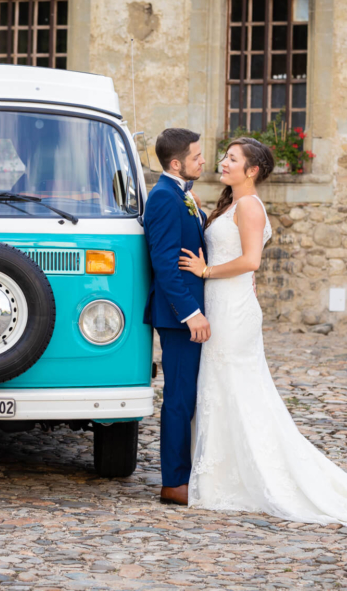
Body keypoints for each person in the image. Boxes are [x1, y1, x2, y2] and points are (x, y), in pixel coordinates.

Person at [177, 137, 347, 527]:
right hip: (222, 305)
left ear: (252, 170)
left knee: (238, 388)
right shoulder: (232, 204)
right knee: (221, 389)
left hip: (234, 310)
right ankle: (222, 475)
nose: (222, 161)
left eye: (232, 158)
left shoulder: (250, 206)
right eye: (224, 156)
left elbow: (251, 260)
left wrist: (206, 271)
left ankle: (251, 477)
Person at [142, 128, 210, 506]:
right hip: (179, 318)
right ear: (175, 163)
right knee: (179, 399)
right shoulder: (165, 198)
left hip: (190, 313)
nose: (203, 161)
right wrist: (190, 314)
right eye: (197, 157)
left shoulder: (180, 194)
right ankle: (174, 482)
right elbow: (165, 266)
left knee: (189, 396)